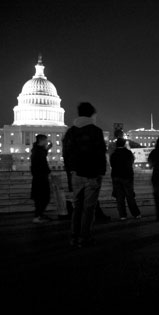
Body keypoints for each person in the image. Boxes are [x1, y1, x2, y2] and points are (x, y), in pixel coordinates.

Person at [62, 102, 107, 247]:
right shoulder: (96, 131)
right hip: (92, 174)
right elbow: (100, 154)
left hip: (76, 174)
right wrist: (101, 172)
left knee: (78, 208)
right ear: (91, 114)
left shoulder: (70, 132)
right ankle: (85, 237)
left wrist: (70, 172)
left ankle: (74, 236)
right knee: (89, 208)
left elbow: (66, 154)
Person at [110, 138, 141, 220]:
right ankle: (136, 214)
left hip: (116, 176)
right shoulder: (128, 153)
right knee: (130, 196)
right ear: (124, 144)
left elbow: (112, 164)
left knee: (119, 197)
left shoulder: (113, 154)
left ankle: (122, 215)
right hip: (127, 176)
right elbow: (132, 161)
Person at [30, 134, 53, 223]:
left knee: (41, 198)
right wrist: (48, 172)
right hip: (40, 177)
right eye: (46, 140)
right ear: (42, 140)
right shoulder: (38, 151)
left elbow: (42, 154)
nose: (47, 142)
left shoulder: (37, 149)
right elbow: (41, 162)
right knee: (43, 198)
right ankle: (37, 216)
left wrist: (48, 148)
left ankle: (39, 214)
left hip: (39, 177)